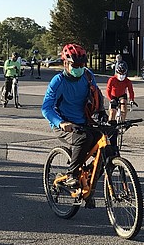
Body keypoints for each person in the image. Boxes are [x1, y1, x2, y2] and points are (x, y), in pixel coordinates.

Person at [41, 43, 103, 189]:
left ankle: (89, 178)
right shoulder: (58, 81)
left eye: (82, 65)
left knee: (106, 143)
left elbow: (96, 94)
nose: (79, 68)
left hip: (84, 121)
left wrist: (102, 112)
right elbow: (46, 108)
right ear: (65, 63)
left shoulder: (87, 75)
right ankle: (71, 175)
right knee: (84, 138)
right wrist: (60, 122)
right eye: (75, 66)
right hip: (64, 124)